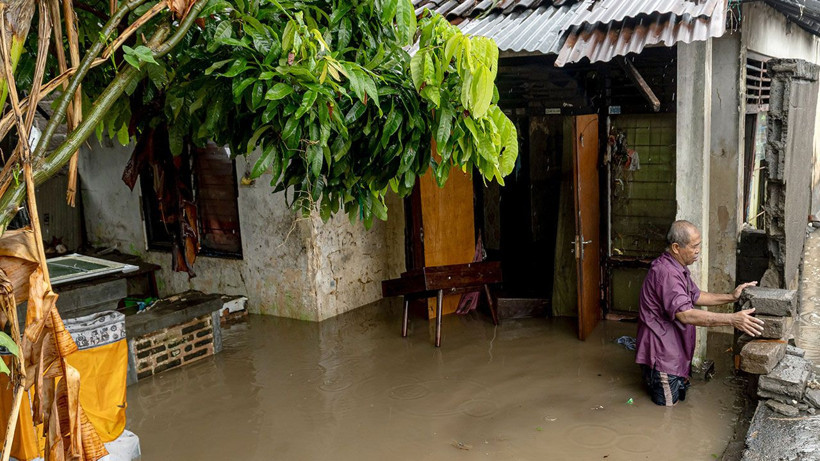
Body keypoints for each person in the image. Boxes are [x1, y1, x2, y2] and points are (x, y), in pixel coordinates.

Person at [635, 220, 764, 406]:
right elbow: (686, 314)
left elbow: (696, 296)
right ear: (676, 247)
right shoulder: (666, 273)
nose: (698, 251)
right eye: (694, 246)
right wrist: (732, 320)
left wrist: (731, 297)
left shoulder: (677, 267)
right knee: (666, 413)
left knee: (675, 402)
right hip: (663, 355)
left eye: (699, 245)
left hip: (675, 351)